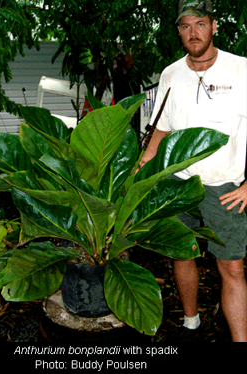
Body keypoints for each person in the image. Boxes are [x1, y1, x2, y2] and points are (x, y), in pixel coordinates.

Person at [138, 0, 247, 342]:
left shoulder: (241, 69)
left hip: (224, 184)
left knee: (232, 266)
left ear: (214, 26)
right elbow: (162, 129)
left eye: (199, 24)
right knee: (181, 253)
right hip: (178, 183)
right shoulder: (171, 73)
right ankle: (190, 322)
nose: (193, 33)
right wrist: (142, 170)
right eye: (185, 26)